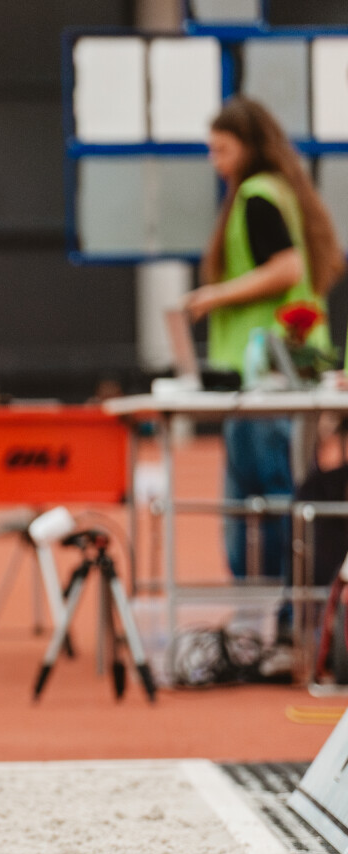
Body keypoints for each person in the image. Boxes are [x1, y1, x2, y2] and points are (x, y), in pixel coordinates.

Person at [185, 96, 343, 583]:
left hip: (267, 377)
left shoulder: (257, 196)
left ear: (249, 147)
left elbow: (287, 268)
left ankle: (280, 605)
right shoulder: (284, 191)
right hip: (290, 371)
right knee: (282, 495)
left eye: (222, 150)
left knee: (268, 505)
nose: (215, 161)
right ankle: (287, 604)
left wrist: (215, 295)